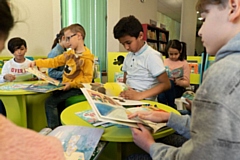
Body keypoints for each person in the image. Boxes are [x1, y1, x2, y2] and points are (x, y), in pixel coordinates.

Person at [128, 0, 240, 159]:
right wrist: (171, 118)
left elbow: (198, 155)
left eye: (204, 18)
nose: (200, 31)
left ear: (233, 7)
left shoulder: (224, 72)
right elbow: (214, 134)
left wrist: (150, 146)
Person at [0, 1, 65, 159]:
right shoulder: (8, 65)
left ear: (25, 49)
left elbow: (41, 75)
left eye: (21, 49)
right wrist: (5, 76)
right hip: (13, 96)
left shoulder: (31, 62)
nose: (19, 53)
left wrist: (36, 75)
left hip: (31, 94)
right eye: (15, 50)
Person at [29, 23, 94, 129]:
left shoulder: (87, 58)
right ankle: (60, 127)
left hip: (77, 88)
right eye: (66, 39)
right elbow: (54, 62)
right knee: (55, 99)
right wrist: (37, 62)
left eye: (69, 38)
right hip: (67, 86)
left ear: (79, 36)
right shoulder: (70, 54)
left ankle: (53, 129)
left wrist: (71, 84)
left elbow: (87, 79)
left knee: (50, 102)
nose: (67, 42)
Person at [113, 15, 170, 101]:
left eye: (128, 42)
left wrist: (140, 95)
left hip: (145, 102)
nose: (126, 47)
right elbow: (126, 80)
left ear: (140, 36)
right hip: (129, 100)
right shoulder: (129, 56)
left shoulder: (152, 56)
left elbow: (166, 84)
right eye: (123, 44)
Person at [157, 39, 190, 109]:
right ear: (167, 52)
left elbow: (187, 83)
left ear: (180, 52)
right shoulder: (164, 61)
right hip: (165, 86)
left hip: (177, 88)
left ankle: (171, 107)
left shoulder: (184, 63)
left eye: (176, 54)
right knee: (161, 94)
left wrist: (178, 82)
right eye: (171, 54)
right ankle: (165, 109)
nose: (173, 56)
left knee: (170, 83)